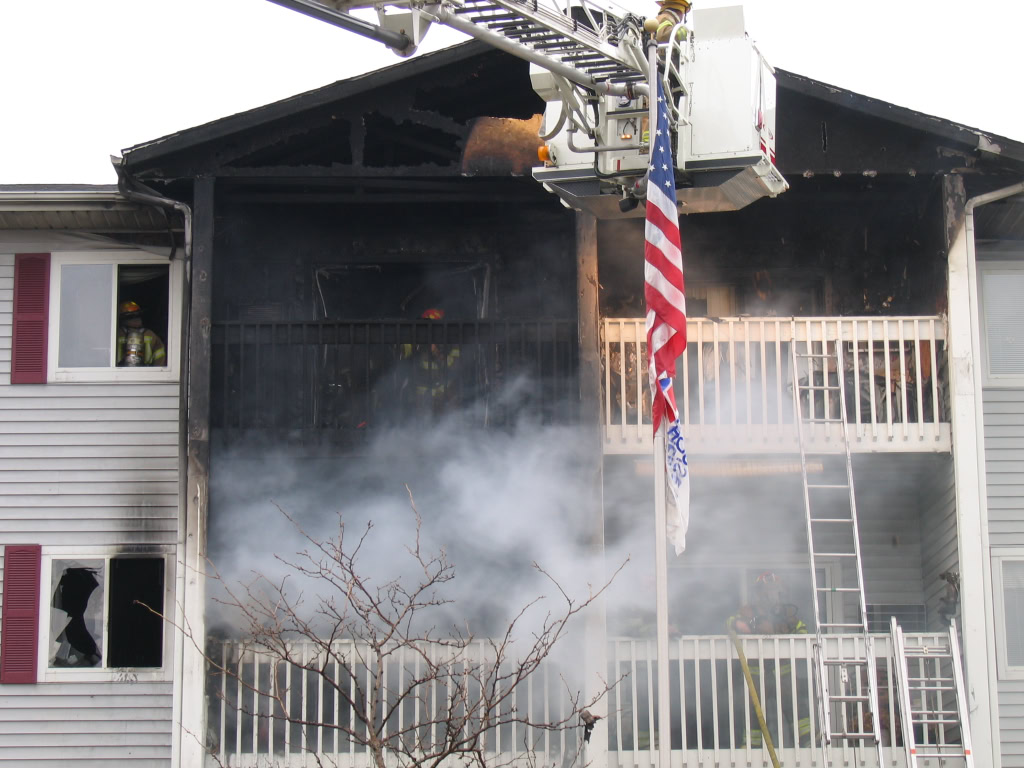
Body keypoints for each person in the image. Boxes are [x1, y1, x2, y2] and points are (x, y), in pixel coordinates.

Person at [728, 572, 811, 749]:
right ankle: (752, 744)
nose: (770, 594)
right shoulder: (748, 611)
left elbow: (802, 630)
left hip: (784, 673)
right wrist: (738, 625)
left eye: (774, 590)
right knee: (753, 709)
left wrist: (797, 641)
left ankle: (807, 738)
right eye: (765, 591)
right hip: (757, 675)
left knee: (795, 704)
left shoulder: (787, 612)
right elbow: (730, 622)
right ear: (757, 593)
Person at [116, 300, 166, 367]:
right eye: (132, 317)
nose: (136, 319)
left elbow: (160, 361)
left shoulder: (115, 335)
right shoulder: (117, 335)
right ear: (123, 319)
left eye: (138, 316)